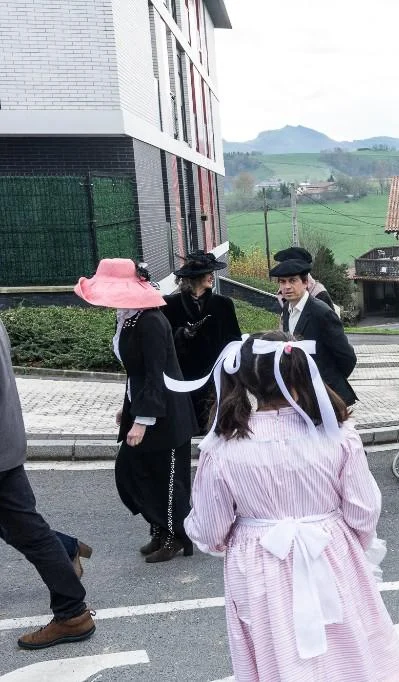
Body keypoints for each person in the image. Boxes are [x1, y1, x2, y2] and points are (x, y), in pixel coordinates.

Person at [182, 332, 399, 682]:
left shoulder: (223, 446)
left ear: (247, 378)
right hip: (331, 551)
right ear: (298, 371)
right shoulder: (337, 434)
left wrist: (239, 536)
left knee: (276, 651)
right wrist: (347, 542)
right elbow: (363, 511)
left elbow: (209, 528)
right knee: (349, 647)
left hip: (258, 562)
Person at [75, 259, 198, 563]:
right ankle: (159, 527)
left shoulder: (151, 321)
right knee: (133, 471)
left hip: (166, 413)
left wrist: (141, 420)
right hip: (142, 404)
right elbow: (136, 372)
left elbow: (156, 374)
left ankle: (174, 536)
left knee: (167, 477)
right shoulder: (127, 317)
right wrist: (127, 407)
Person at [1, 317, 95, 649]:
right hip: (6, 444)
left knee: (28, 531)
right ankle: (67, 554)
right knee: (22, 528)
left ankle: (72, 613)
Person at [162, 251, 242, 430]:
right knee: (187, 426)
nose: (212, 276)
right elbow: (163, 339)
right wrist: (183, 333)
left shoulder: (223, 304)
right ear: (195, 277)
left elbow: (234, 340)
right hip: (183, 376)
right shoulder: (170, 304)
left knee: (214, 426)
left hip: (214, 376)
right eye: (208, 273)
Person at [271, 259, 358, 407]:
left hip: (327, 397)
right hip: (302, 396)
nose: (287, 286)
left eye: (292, 281)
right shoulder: (286, 309)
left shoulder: (321, 312)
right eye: (282, 282)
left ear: (305, 282)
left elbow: (347, 357)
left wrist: (329, 381)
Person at [273, 246, 336, 312]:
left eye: (293, 280)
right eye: (283, 281)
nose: (287, 286)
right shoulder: (283, 292)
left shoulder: (319, 294)